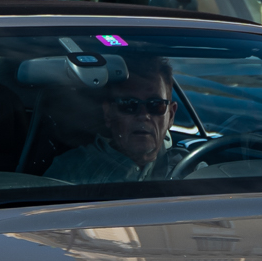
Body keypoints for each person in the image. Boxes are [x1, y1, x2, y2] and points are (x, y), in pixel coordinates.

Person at [47, 59, 184, 183]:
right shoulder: (70, 172)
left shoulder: (189, 170)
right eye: (129, 104)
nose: (143, 115)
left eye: (155, 105)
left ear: (171, 115)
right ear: (109, 114)